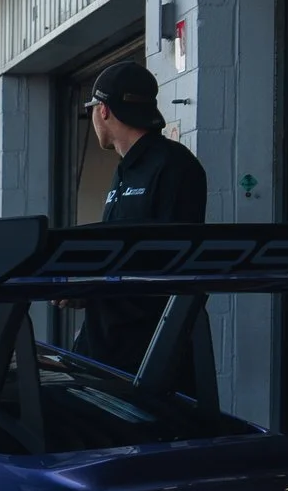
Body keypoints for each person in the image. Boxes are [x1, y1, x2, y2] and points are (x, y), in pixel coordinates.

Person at [72, 59, 208, 373]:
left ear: (103, 110)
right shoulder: (124, 170)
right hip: (105, 345)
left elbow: (168, 263)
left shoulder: (173, 166)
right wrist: (86, 291)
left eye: (93, 108)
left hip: (149, 354)